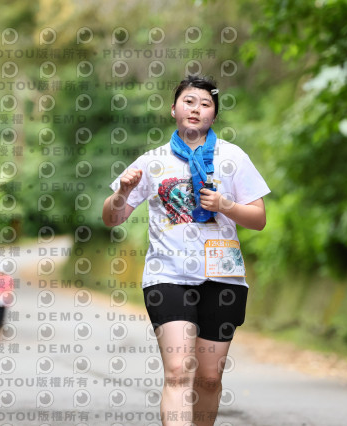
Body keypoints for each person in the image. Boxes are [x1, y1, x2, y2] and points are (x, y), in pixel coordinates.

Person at [102, 75, 270, 426]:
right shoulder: (152, 161)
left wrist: (224, 205)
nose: (196, 109)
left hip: (222, 277)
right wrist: (122, 193)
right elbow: (112, 218)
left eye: (205, 104)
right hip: (167, 276)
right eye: (189, 101)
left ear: (214, 115)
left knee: (209, 377)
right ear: (173, 109)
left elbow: (258, 219)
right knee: (179, 370)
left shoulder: (233, 158)